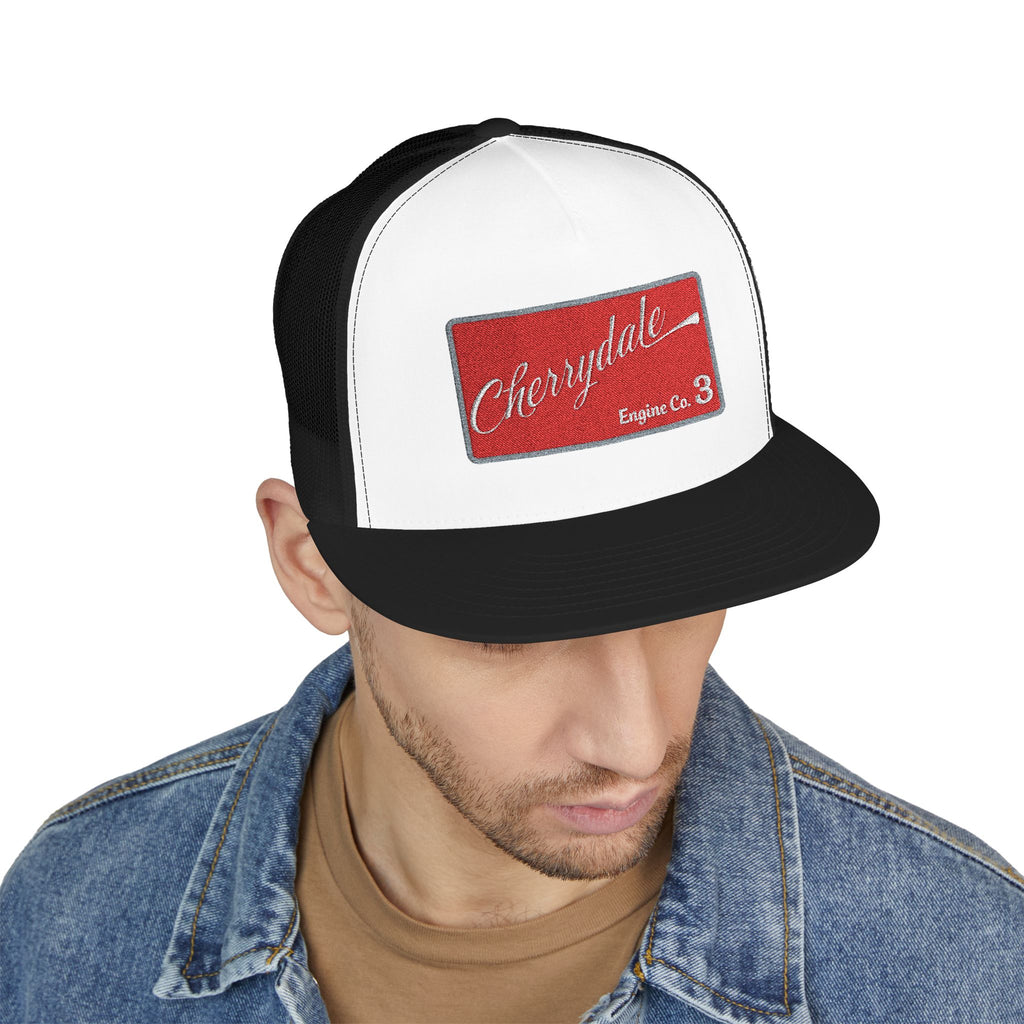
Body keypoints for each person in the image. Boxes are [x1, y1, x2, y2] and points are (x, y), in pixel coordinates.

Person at [1, 117, 1021, 1024]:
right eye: (517, 627)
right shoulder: (69, 920)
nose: (635, 741)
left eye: (684, 594)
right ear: (312, 565)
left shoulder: (962, 968)